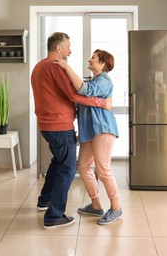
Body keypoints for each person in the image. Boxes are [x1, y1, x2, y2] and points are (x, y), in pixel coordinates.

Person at [31, 33, 112, 229]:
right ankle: (54, 216)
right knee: (67, 169)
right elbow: (74, 94)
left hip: (46, 125)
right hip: (60, 125)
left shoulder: (39, 66)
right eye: (68, 46)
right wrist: (102, 102)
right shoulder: (55, 66)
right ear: (58, 49)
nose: (70, 50)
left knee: (58, 161)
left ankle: (44, 200)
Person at [54, 49, 122, 225]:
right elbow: (79, 97)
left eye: (93, 58)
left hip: (103, 130)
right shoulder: (95, 80)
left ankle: (116, 208)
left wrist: (66, 67)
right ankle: (96, 205)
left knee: (103, 170)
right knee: (83, 167)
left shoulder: (104, 80)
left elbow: (84, 90)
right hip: (90, 132)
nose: (89, 59)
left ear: (103, 64)